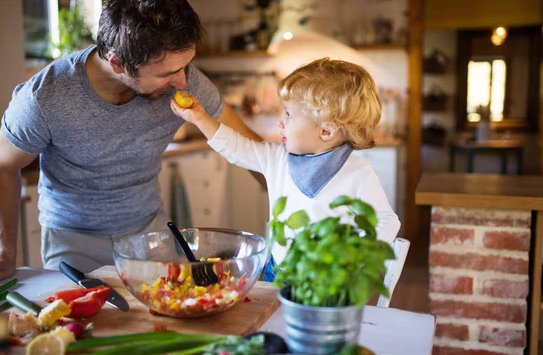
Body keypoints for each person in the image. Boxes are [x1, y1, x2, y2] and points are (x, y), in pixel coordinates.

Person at [0, 0, 263, 284]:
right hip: (73, 243)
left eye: (185, 66)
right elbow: (1, 167)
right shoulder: (45, 97)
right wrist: (5, 252)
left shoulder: (187, 80)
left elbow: (250, 150)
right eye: (167, 73)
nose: (182, 82)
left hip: (151, 235)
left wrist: (303, 205)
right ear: (117, 63)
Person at [171, 57, 401, 282]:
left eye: (289, 114)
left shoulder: (357, 173)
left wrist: (354, 260)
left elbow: (387, 221)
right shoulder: (276, 158)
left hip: (327, 282)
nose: (280, 121)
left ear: (326, 131)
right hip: (278, 271)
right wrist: (200, 119)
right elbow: (235, 147)